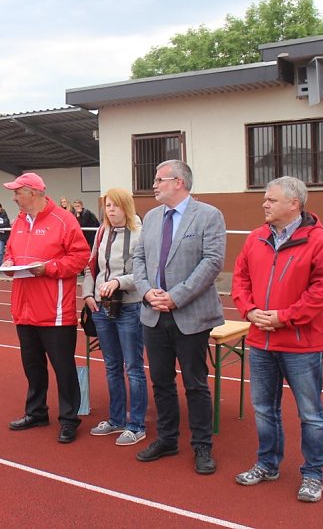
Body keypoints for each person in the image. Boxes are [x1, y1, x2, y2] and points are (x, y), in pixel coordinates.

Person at [231, 176, 323, 503]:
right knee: (264, 410)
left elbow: (322, 290)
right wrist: (249, 310)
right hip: (260, 341)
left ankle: (313, 474)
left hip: (300, 345)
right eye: (265, 199)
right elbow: (240, 279)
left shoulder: (321, 241)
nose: (264, 203)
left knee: (310, 414)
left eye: (271, 199)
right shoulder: (255, 238)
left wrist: (284, 317)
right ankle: (268, 464)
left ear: (294, 204)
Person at [131, 159, 226, 475]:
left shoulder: (208, 215)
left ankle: (202, 446)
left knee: (195, 384)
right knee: (161, 381)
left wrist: (176, 297)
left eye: (159, 180)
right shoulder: (151, 217)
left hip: (190, 314)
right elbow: (139, 259)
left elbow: (212, 262)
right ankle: (167, 439)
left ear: (179, 182)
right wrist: (147, 292)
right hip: (153, 314)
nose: (154, 185)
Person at [1, 173, 90, 444]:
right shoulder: (18, 222)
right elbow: (10, 252)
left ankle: (69, 420)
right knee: (33, 366)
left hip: (55, 311)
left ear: (32, 193)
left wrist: (49, 268)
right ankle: (36, 412)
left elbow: (80, 257)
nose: (13, 198)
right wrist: (8, 263)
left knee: (63, 369)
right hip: (24, 308)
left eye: (17, 192)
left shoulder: (64, 220)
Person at [82, 188, 147, 446]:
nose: (110, 210)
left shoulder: (140, 234)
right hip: (102, 308)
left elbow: (144, 273)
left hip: (130, 307)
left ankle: (137, 425)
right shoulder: (102, 232)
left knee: (133, 367)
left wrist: (119, 282)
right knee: (112, 366)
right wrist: (88, 294)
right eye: (108, 205)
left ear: (126, 207)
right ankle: (117, 418)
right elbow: (91, 267)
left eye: (116, 206)